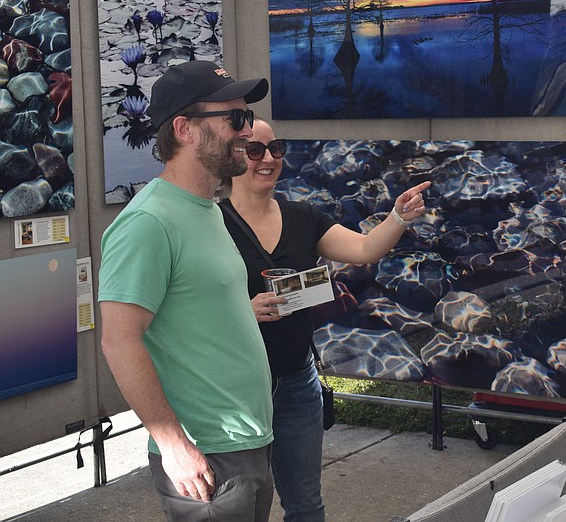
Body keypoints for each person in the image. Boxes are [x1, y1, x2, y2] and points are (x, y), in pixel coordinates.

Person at [219, 119, 430, 522]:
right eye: (255, 150)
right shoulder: (211, 224)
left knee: (306, 506)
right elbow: (189, 306)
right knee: (239, 509)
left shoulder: (303, 217)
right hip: (236, 386)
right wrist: (243, 312)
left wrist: (398, 217)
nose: (267, 159)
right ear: (234, 155)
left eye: (275, 149)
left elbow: (366, 248)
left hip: (297, 382)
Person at [98, 60, 275, 521]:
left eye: (248, 118)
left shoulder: (207, 208)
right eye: (235, 119)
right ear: (184, 129)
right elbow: (119, 340)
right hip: (206, 455)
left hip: (247, 441)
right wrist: (173, 444)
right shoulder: (148, 222)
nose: (248, 131)